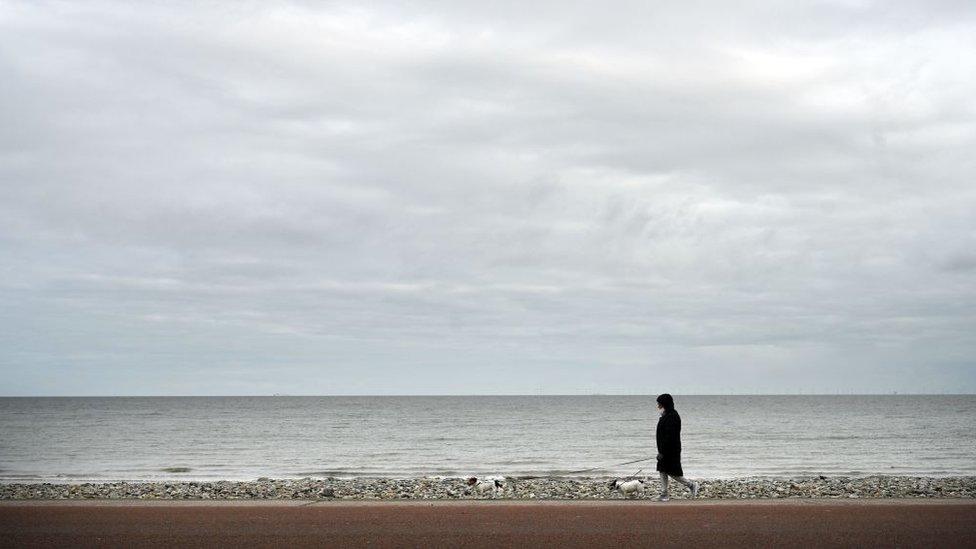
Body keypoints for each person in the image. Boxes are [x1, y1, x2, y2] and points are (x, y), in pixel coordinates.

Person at [655, 393, 699, 501]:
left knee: (672, 472)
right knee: (662, 469)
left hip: (671, 450)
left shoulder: (672, 416)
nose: (658, 406)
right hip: (664, 449)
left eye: (659, 404)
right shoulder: (665, 415)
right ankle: (664, 494)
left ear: (665, 404)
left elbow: (670, 436)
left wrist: (663, 452)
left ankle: (691, 485)